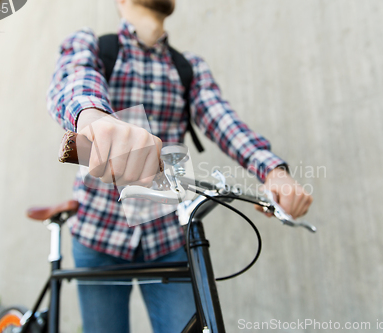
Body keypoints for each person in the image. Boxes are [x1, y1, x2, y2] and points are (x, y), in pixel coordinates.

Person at [47, 0, 313, 332]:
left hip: (167, 234)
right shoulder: (94, 45)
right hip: (98, 232)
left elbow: (224, 121)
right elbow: (75, 78)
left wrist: (273, 171)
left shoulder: (189, 67)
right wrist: (93, 118)